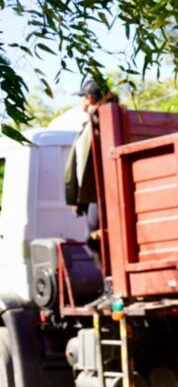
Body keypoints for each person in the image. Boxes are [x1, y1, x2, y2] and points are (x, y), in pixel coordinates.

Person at [64, 79, 117, 263]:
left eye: (82, 98)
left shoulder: (103, 117)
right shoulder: (88, 123)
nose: (80, 102)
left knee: (96, 236)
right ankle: (107, 284)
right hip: (89, 194)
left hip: (99, 191)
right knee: (95, 237)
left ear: (88, 98)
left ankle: (109, 284)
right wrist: (77, 198)